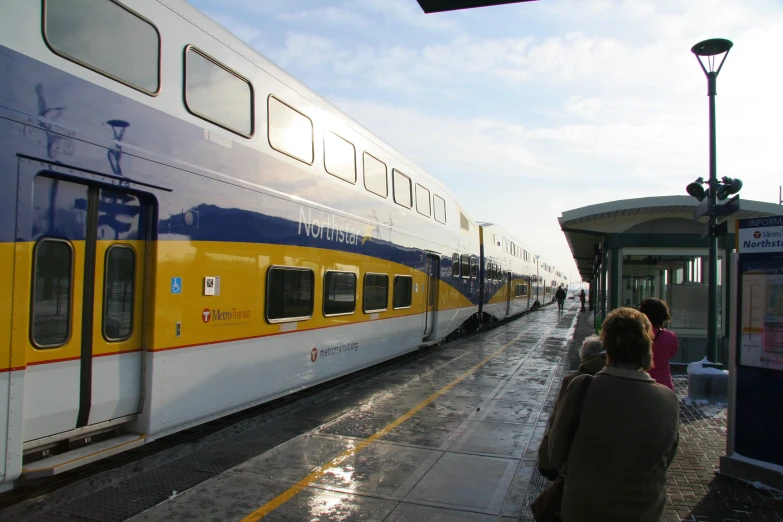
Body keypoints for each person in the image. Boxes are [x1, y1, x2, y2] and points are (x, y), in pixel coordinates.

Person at [547, 307, 679, 522]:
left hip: (584, 510)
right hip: (644, 513)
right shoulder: (668, 399)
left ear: (606, 345)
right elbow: (666, 456)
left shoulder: (583, 387)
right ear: (648, 347)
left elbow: (555, 451)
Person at [538, 335, 606, 480]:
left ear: (584, 356)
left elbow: (558, 423)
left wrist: (546, 460)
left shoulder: (573, 381)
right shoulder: (632, 384)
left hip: (577, 464)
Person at [639, 298, 679, 390]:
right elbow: (672, 353)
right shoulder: (670, 336)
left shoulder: (636, 335)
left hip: (641, 383)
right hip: (664, 385)